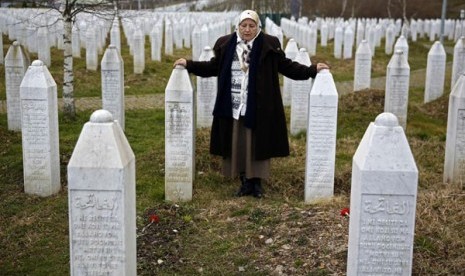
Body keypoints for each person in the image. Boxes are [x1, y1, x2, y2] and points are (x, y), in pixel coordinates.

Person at [174, 10, 330, 198]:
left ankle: (256, 183)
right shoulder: (225, 44)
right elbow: (213, 67)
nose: (247, 30)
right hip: (233, 102)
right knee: (238, 141)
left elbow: (287, 66)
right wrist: (189, 64)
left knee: (256, 141)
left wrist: (312, 70)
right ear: (237, 26)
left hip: (259, 105)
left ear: (258, 27)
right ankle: (244, 181)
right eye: (243, 25)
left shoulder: (269, 44)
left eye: (251, 25)